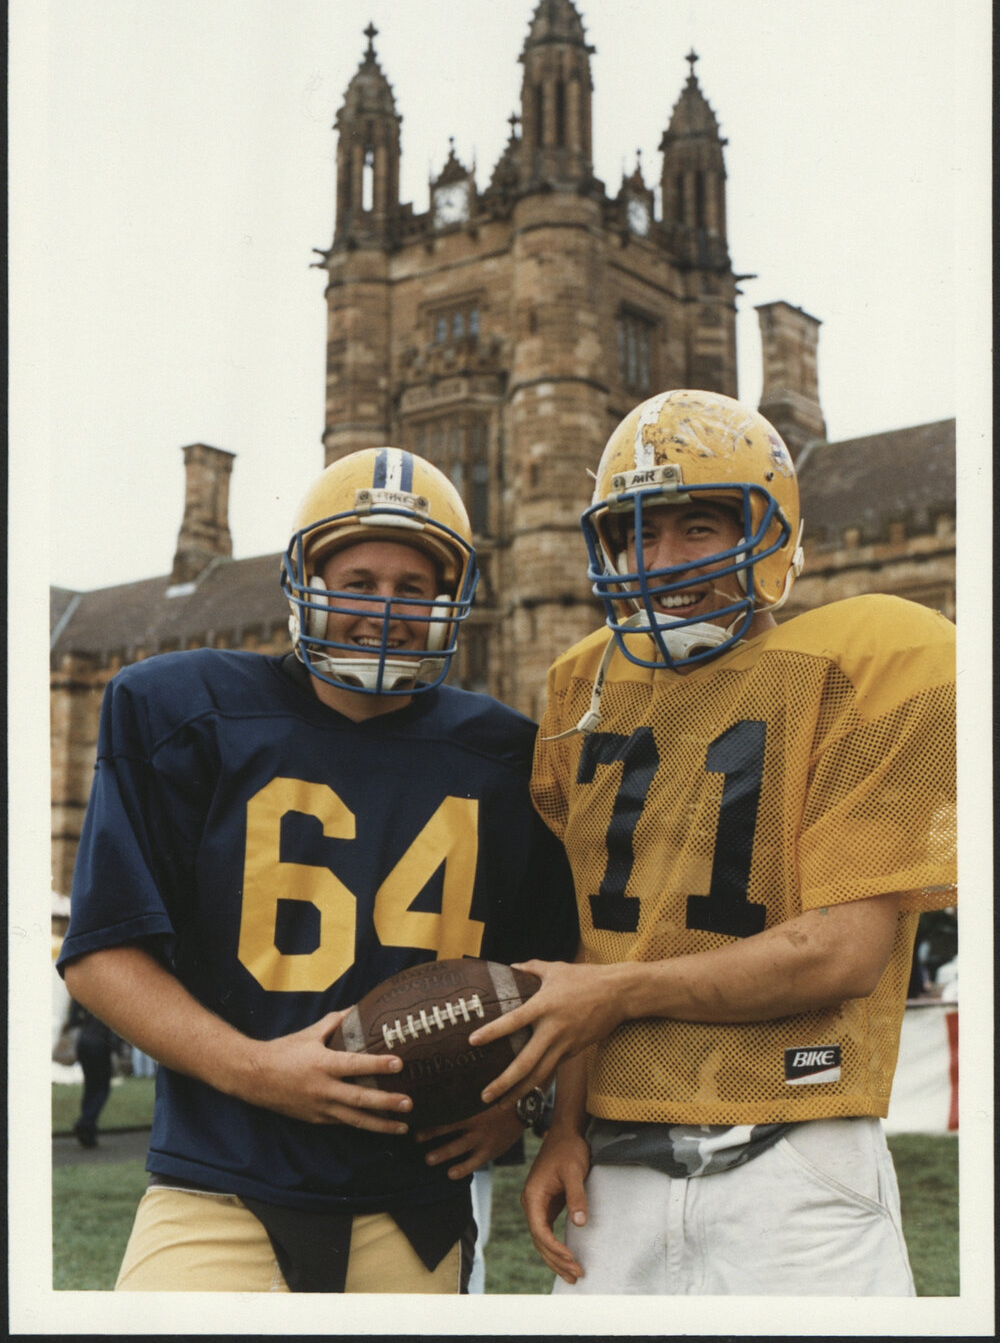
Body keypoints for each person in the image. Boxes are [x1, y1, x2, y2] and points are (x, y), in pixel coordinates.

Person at [470, 389, 957, 1296]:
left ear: (772, 532)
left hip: (793, 1156)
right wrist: (566, 1124)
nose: (663, 562)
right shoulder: (584, 688)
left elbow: (841, 953)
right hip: (610, 1171)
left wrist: (612, 994)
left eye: (698, 527)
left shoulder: (870, 664)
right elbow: (594, 941)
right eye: (638, 534)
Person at [58, 447, 577, 1293]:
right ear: (306, 581)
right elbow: (102, 955)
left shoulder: (505, 755)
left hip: (413, 1198)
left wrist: (518, 1102)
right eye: (361, 577)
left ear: (451, 600)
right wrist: (254, 1069)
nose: (385, 608)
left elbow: (561, 969)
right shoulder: (181, 712)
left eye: (414, 587)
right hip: (219, 1177)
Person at [65, 1000, 124, 1148]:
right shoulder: (111, 996)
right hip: (100, 1044)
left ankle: (88, 1130)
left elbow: (73, 1019)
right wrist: (118, 1049)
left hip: (84, 1042)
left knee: (91, 1086)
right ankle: (86, 1122)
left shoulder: (85, 994)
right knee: (102, 1087)